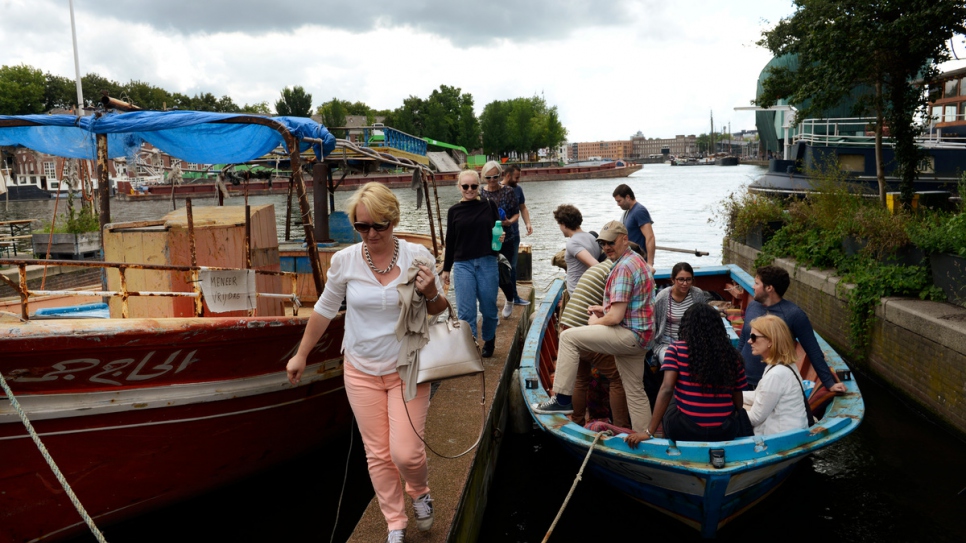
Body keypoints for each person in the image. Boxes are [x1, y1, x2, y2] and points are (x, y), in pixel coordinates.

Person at [285, 183, 447, 543]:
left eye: (379, 226)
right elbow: (325, 310)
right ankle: (395, 523)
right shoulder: (345, 261)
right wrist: (301, 354)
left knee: (405, 452)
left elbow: (440, 311)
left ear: (394, 221)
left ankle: (419, 491)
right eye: (362, 227)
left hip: (407, 367)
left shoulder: (418, 257)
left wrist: (432, 290)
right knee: (377, 453)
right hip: (360, 370)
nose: (371, 234)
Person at [533, 220, 655, 433]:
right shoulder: (636, 260)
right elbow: (632, 305)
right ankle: (645, 434)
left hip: (629, 335)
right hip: (643, 337)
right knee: (635, 389)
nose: (606, 247)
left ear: (625, 239)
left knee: (568, 337)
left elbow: (615, 317)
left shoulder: (623, 268)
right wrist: (604, 308)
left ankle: (562, 399)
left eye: (611, 242)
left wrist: (596, 321)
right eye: (602, 243)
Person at [625, 303, 749, 446]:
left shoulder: (676, 350)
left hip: (685, 430)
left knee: (671, 393)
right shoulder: (732, 355)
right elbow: (738, 403)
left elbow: (666, 389)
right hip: (724, 431)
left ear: (687, 326)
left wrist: (648, 432)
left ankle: (670, 446)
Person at [739, 265, 847, 394]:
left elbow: (813, 350)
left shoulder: (794, 314)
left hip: (772, 384)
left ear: (769, 288)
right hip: (742, 378)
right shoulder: (753, 306)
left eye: (757, 283)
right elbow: (744, 339)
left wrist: (829, 383)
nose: (753, 286)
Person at [558, 257, 631, 429]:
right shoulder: (618, 272)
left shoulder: (598, 268)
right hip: (580, 329)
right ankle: (621, 427)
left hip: (566, 325)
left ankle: (577, 421)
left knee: (581, 378)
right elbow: (615, 313)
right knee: (617, 377)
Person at [442, 169, 502, 358]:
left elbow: (497, 231)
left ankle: (489, 338)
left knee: (489, 308)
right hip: (462, 265)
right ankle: (472, 346)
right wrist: (446, 268)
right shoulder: (453, 211)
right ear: (459, 187)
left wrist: (501, 237)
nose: (470, 189)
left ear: (479, 186)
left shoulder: (489, 205)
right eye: (465, 186)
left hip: (487, 261)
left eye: (474, 186)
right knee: (466, 312)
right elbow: (450, 240)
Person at [742, 315, 810, 435]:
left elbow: (755, 418)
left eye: (753, 337)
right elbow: (760, 395)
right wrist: (730, 394)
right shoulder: (784, 365)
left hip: (780, 438)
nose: (749, 341)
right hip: (792, 431)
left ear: (770, 341)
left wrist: (724, 411)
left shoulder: (776, 375)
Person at [479, 160, 528, 318]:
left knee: (505, 271)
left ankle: (510, 298)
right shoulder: (480, 193)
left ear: (500, 175)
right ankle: (491, 311)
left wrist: (509, 222)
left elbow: (516, 213)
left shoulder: (508, 191)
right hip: (487, 239)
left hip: (507, 237)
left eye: (495, 176)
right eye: (488, 177)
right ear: (483, 177)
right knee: (488, 273)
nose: (492, 180)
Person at [649, 262, 709, 365]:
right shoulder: (663, 297)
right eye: (681, 279)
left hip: (692, 342)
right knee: (670, 362)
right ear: (673, 279)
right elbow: (654, 324)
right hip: (666, 342)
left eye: (688, 279)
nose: (685, 283)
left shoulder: (697, 294)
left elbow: (703, 321)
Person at [553, 204, 602, 295]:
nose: (560, 228)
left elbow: (595, 265)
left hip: (579, 295)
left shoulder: (573, 243)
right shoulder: (592, 237)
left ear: (563, 224)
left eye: (559, 224)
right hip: (591, 290)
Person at [612, 183, 655, 266]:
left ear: (628, 197)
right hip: (630, 260)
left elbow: (650, 237)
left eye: (619, 201)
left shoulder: (639, 211)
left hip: (639, 261)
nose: (618, 204)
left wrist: (649, 263)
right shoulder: (628, 212)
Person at [504, 165, 533, 236]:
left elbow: (522, 208)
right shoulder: (496, 188)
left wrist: (528, 223)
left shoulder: (518, 189)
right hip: (499, 233)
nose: (518, 180)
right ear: (508, 176)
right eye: (516, 178)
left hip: (514, 232)